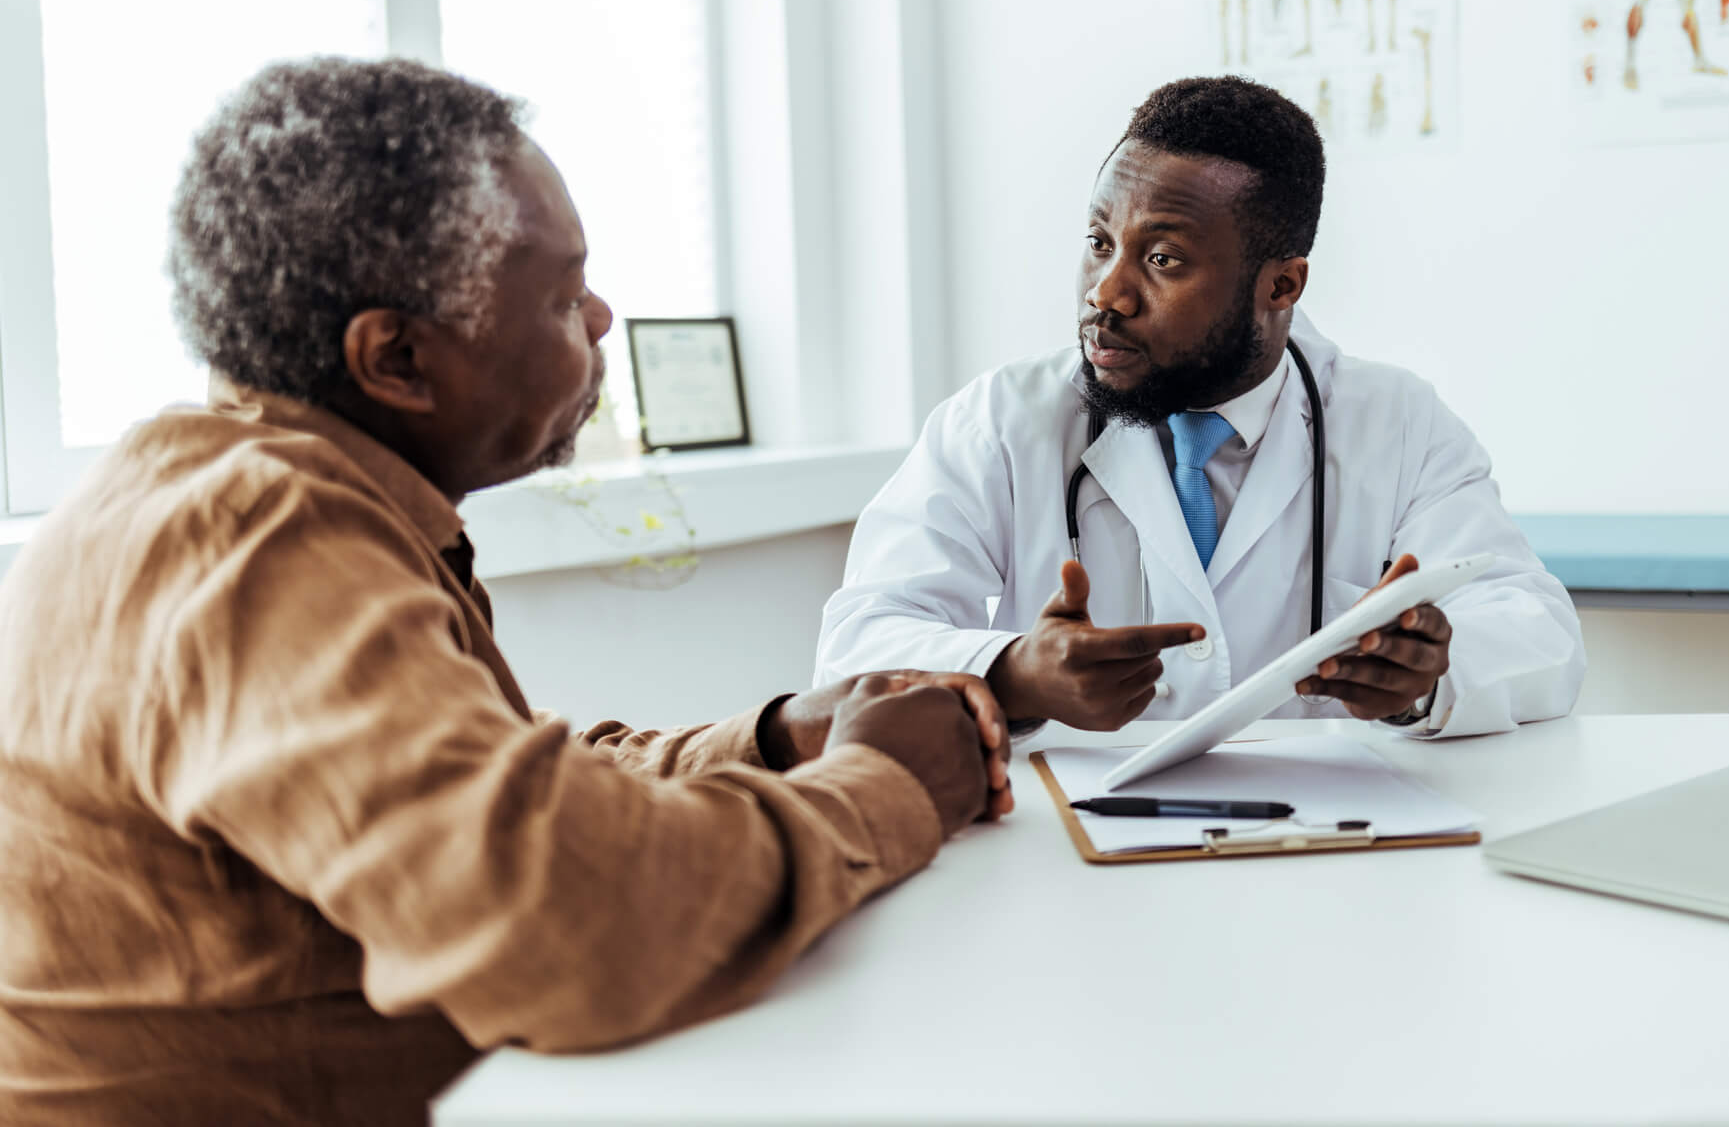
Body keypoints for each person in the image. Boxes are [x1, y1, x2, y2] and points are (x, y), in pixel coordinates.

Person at [0, 58, 1009, 1126]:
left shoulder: (242, 484)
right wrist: (887, 786)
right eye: (564, 296)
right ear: (395, 358)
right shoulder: (260, 535)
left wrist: (775, 737)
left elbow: (507, 780)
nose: (605, 317)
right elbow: (569, 917)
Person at [816, 77, 1583, 737]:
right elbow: (857, 642)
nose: (1105, 293)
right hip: (1071, 854)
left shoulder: (1397, 423)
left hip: (1321, 851)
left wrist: (1429, 672)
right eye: (1098, 240)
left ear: (1280, 286)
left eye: (1161, 259)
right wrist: (1015, 670)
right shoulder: (999, 422)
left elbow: (1539, 632)